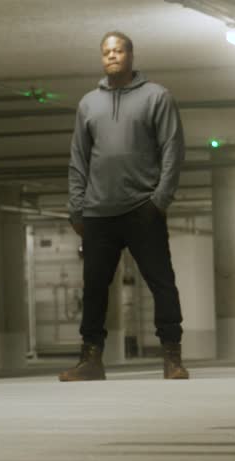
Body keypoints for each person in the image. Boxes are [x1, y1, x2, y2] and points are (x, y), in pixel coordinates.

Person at [59, 30, 189, 382]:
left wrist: (160, 199)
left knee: (161, 282)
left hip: (142, 208)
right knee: (94, 288)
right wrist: (77, 207)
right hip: (98, 211)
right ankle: (91, 359)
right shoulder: (89, 103)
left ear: (131, 55)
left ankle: (172, 356)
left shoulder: (156, 97)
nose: (111, 56)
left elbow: (172, 149)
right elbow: (78, 159)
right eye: (106, 52)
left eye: (118, 51)